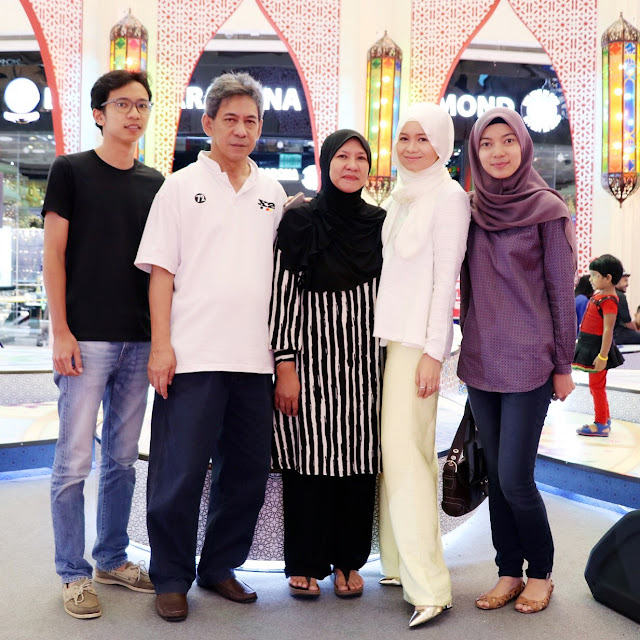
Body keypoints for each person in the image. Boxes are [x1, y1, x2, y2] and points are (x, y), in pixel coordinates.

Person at [135, 72, 286, 622]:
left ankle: (219, 565)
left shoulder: (272, 192)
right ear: (208, 123)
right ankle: (171, 577)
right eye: (231, 120)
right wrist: (161, 346)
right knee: (177, 474)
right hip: (192, 356)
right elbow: (161, 273)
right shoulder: (179, 187)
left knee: (244, 475)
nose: (241, 130)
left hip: (255, 360)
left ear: (260, 127)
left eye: (251, 121)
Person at [42, 70, 164, 619]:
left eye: (142, 105)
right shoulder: (70, 170)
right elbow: (54, 255)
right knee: (73, 461)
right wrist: (61, 330)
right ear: (99, 113)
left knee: (121, 459)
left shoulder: (156, 182)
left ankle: (111, 558)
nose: (134, 114)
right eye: (122, 104)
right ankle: (72, 573)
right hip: (85, 338)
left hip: (139, 339)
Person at [457, 107, 576, 615]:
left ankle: (541, 572)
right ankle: (508, 570)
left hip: (529, 361)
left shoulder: (548, 209)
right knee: (496, 478)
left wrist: (564, 365)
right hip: (481, 360)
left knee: (515, 478)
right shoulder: (468, 209)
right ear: (475, 152)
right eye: (486, 144)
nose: (498, 152)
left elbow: (560, 291)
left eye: (508, 141)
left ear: (524, 146)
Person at [270, 130, 385, 599]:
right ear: (325, 162)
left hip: (366, 369)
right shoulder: (300, 221)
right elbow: (282, 296)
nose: (352, 165)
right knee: (309, 464)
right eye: (342, 156)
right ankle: (305, 562)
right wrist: (285, 365)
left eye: (361, 158)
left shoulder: (380, 223)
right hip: (311, 364)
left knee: (359, 464)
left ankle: (348, 561)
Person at [372, 103, 470, 627]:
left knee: (406, 457)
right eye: (404, 138)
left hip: (418, 346)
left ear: (442, 145)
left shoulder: (449, 197)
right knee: (401, 455)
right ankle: (397, 563)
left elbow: (444, 281)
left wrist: (435, 353)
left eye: (423, 138)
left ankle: (430, 585)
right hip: (392, 341)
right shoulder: (403, 196)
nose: (411, 148)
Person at [573, 255, 625, 437]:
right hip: (591, 345)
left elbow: (608, 330)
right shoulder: (600, 295)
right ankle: (604, 418)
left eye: (594, 275)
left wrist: (603, 356)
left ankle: (601, 423)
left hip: (597, 349)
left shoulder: (609, 299)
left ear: (608, 278)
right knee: (596, 386)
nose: (590, 279)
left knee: (597, 387)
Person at [613, 272, 640, 344]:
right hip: (618, 334)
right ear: (617, 280)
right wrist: (636, 331)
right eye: (625, 280)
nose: (627, 284)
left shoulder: (609, 294)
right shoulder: (620, 296)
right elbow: (627, 321)